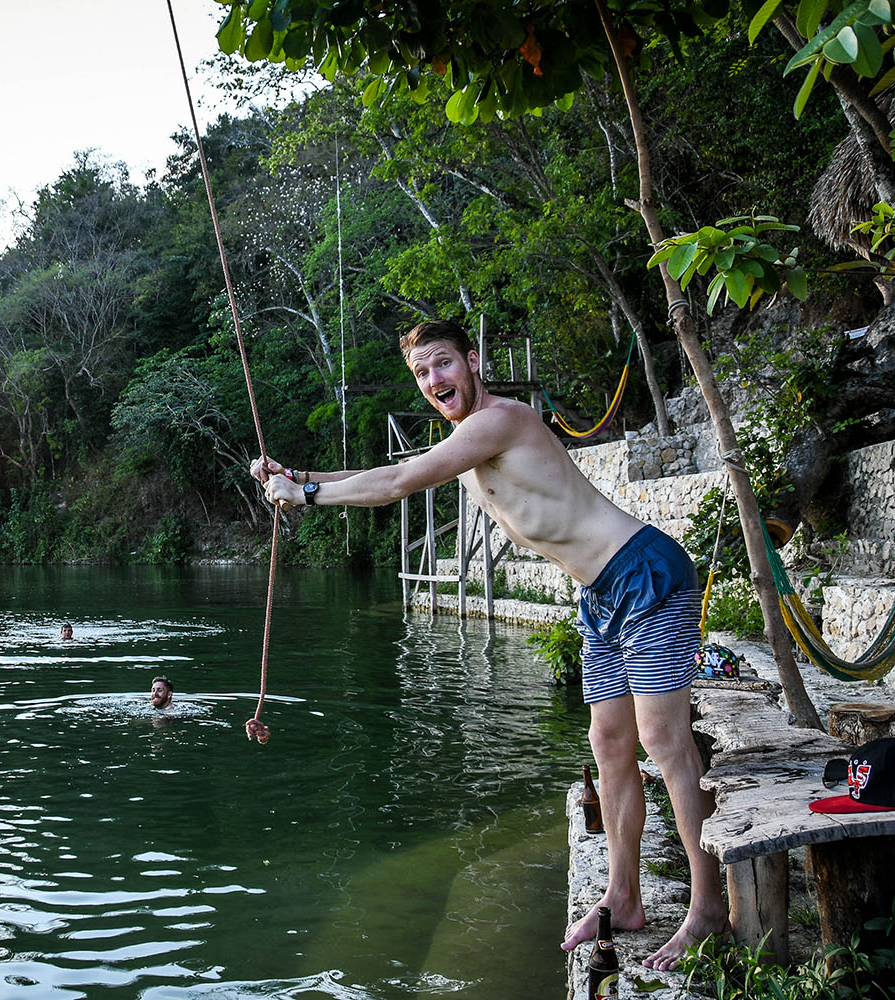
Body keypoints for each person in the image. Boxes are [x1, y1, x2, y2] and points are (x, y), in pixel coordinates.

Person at [251, 319, 725, 971]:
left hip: (644, 574)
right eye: (421, 373)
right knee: (608, 743)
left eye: (443, 364)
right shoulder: (466, 443)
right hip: (598, 594)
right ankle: (624, 898)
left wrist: (303, 494)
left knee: (663, 740)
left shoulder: (503, 419)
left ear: (473, 361)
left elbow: (398, 484)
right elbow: (390, 469)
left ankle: (707, 910)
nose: (434, 380)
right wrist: (296, 474)